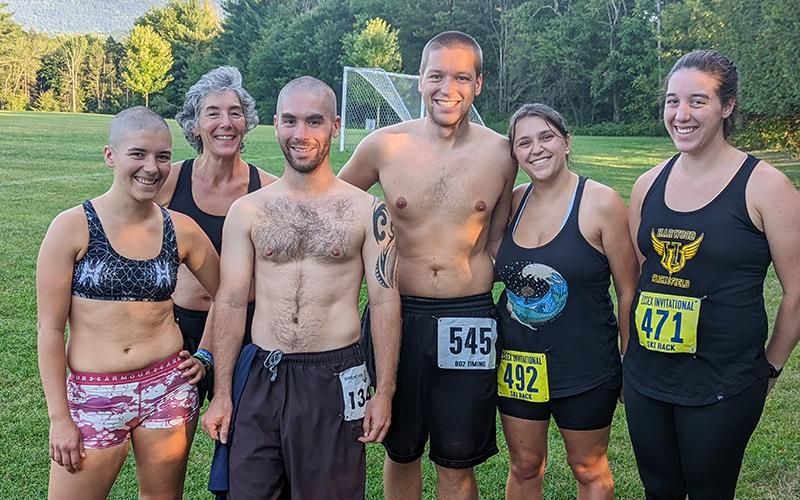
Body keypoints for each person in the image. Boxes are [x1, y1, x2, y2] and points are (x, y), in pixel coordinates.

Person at [200, 76, 401, 500]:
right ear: (275, 124)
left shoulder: (367, 210)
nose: (301, 134)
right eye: (290, 121)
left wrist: (384, 392)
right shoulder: (248, 210)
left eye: (315, 121)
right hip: (261, 376)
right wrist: (221, 395)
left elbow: (384, 301)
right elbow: (232, 301)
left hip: (334, 377)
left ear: (335, 125)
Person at [338, 31, 517, 500]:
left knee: (457, 457)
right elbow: (331, 205)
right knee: (402, 451)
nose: (447, 88)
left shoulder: (501, 153)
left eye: (461, 77)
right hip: (398, 314)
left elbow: (498, 239)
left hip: (470, 315)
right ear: (420, 81)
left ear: (478, 84)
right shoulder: (383, 146)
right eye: (436, 75)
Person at [625, 49, 800, 499]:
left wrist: (771, 366)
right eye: (672, 101)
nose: (681, 114)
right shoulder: (648, 184)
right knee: (659, 490)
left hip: (723, 382)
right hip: (648, 377)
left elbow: (797, 289)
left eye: (697, 101)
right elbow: (645, 273)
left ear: (727, 106)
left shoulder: (765, 186)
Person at [37, 106, 220, 500]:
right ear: (111, 156)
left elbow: (231, 296)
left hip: (168, 389)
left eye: (163, 156)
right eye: (138, 154)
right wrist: (59, 418)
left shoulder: (181, 228)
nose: (151, 168)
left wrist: (205, 354)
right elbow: (50, 330)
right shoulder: (71, 227)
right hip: (95, 394)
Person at [494, 104, 639, 500]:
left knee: (588, 468)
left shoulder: (601, 202)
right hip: (518, 363)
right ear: (515, 154)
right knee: (524, 467)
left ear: (567, 142)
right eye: (524, 142)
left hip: (585, 362)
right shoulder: (513, 202)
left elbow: (629, 288)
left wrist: (631, 356)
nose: (536, 149)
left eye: (546, 137)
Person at [155, 66, 278, 403]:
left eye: (235, 113)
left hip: (246, 328)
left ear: (246, 123)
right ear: (194, 125)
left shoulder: (268, 190)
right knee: (170, 446)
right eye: (213, 113)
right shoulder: (169, 182)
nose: (226, 122)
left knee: (241, 443)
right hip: (179, 331)